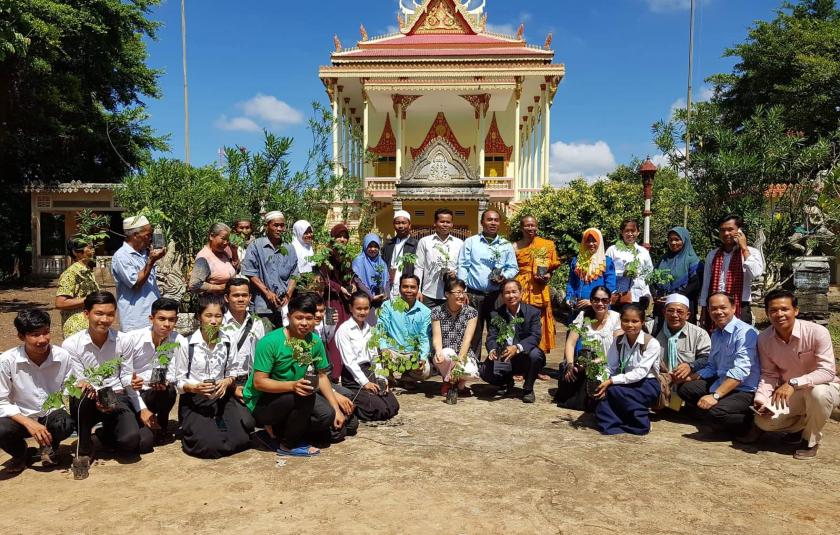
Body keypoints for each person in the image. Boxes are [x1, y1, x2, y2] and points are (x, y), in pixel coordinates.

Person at [739, 289, 840, 460]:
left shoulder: (817, 332)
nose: (779, 314)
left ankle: (810, 440)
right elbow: (769, 374)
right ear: (767, 313)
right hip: (792, 392)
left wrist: (793, 383)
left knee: (818, 394)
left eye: (785, 309)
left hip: (824, 387)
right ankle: (799, 428)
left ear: (796, 311)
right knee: (764, 422)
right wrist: (761, 399)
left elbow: (827, 371)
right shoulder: (764, 339)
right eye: (773, 310)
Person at [243, 293, 346, 457]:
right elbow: (259, 383)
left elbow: (321, 376)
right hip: (263, 401)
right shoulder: (270, 342)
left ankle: (278, 431)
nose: (304, 323)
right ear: (289, 317)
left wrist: (336, 408)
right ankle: (287, 445)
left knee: (328, 417)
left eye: (309, 318)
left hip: (294, 394)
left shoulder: (314, 341)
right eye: (299, 318)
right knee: (305, 395)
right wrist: (292, 385)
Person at [62, 291, 152, 479]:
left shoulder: (124, 340)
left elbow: (126, 376)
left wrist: (133, 382)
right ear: (87, 314)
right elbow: (78, 380)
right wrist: (88, 389)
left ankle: (104, 435)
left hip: (115, 396)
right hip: (88, 397)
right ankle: (84, 448)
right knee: (82, 394)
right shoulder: (72, 344)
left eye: (110, 314)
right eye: (99, 313)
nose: (105, 319)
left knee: (132, 442)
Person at [170, 294, 254, 459]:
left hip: (221, 396)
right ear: (199, 317)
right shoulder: (186, 344)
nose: (214, 321)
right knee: (208, 447)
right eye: (208, 315)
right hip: (195, 399)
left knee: (241, 440)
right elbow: (178, 381)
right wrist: (195, 387)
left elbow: (232, 371)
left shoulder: (228, 342)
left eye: (218, 316)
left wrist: (227, 381)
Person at [0, 310, 76, 473]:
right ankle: (20, 454)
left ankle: (50, 448)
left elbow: (69, 387)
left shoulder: (63, 356)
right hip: (21, 416)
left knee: (64, 424)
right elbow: (1, 401)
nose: (42, 340)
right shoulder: (7, 361)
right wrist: (29, 422)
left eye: (46, 333)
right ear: (21, 336)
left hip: (51, 413)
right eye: (35, 335)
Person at [676, 292, 760, 436]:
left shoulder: (746, 333)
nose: (718, 312)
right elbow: (712, 367)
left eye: (723, 308)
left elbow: (741, 372)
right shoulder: (716, 334)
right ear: (708, 311)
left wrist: (715, 396)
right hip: (722, 382)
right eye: (713, 309)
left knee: (714, 415)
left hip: (744, 389)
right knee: (685, 389)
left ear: (734, 308)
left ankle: (753, 424)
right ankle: (718, 413)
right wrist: (691, 377)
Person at [457, 209, 518, 358]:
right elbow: (463, 266)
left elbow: (513, 267)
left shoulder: (505, 245)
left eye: (496, 220)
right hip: (473, 295)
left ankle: (496, 366)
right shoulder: (471, 242)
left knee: (498, 329)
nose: (493, 223)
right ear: (482, 222)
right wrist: (462, 290)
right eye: (489, 220)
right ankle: (471, 365)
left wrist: (504, 277)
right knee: (473, 331)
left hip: (497, 295)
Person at [593, 304, 662, 435]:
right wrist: (602, 380)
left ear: (642, 322)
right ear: (620, 321)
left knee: (615, 390)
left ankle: (641, 423)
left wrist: (612, 381)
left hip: (647, 383)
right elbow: (610, 366)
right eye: (625, 320)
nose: (630, 325)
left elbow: (641, 372)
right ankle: (613, 424)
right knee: (604, 392)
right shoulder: (618, 341)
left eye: (635, 321)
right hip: (624, 379)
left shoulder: (651, 343)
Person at [124, 298, 186, 442]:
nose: (167, 324)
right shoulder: (132, 339)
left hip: (157, 393)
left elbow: (180, 376)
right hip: (133, 394)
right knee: (140, 441)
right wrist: (141, 408)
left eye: (171, 320)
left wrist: (168, 381)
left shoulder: (179, 341)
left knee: (168, 390)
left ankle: (161, 424)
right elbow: (124, 377)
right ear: (151, 319)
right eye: (162, 319)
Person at [335, 292, 400, 420]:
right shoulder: (344, 330)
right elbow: (349, 362)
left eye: (366, 308)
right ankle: (353, 401)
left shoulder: (369, 329)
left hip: (370, 371)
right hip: (353, 376)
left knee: (393, 407)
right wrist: (365, 383)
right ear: (350, 308)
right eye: (358, 308)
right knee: (379, 410)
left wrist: (382, 378)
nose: (363, 312)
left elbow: (374, 356)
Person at [555, 286, 621, 410]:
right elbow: (570, 342)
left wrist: (595, 362)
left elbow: (618, 350)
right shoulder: (583, 315)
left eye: (604, 300)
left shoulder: (616, 318)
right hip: (585, 361)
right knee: (571, 375)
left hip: (608, 363)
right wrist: (570, 364)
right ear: (591, 301)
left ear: (610, 301)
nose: (600, 303)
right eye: (596, 300)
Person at [481, 279, 546, 403]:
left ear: (521, 292)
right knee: (484, 371)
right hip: (504, 355)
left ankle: (528, 389)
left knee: (536, 355)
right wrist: (493, 349)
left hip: (523, 356)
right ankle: (505, 382)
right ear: (502, 296)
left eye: (514, 292)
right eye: (507, 293)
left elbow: (535, 336)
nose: (511, 296)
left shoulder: (533, 312)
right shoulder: (496, 314)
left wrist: (517, 347)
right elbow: (491, 337)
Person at [647, 294, 711, 410]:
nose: (674, 315)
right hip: (659, 378)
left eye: (680, 312)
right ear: (664, 312)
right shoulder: (651, 328)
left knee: (690, 391)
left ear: (687, 315)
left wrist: (690, 366)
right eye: (670, 311)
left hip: (684, 380)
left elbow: (707, 358)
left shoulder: (699, 334)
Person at [699, 214, 765, 327]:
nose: (726, 234)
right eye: (722, 230)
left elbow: (756, 273)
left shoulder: (751, 252)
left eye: (730, 230)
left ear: (739, 231)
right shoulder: (713, 255)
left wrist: (744, 248)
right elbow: (706, 285)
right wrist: (704, 309)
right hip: (716, 305)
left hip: (740, 303)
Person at [242, 211, 299, 327]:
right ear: (267, 226)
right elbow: (250, 273)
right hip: (262, 305)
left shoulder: (289, 248)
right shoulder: (256, 246)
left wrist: (288, 295)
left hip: (284, 306)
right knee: (264, 339)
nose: (279, 229)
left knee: (284, 340)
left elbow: (294, 274)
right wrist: (267, 293)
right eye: (275, 225)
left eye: (282, 225)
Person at [514, 215, 561, 354]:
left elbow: (551, 267)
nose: (530, 228)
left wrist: (547, 275)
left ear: (537, 227)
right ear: (521, 228)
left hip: (539, 289)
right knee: (520, 323)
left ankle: (538, 363)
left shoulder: (546, 245)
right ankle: (520, 364)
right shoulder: (515, 246)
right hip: (520, 288)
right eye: (527, 225)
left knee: (539, 324)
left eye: (533, 225)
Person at [376, 275, 432, 389]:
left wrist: (422, 358)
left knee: (426, 371)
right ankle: (390, 378)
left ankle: (405, 378)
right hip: (392, 352)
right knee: (378, 355)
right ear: (400, 288)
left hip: (412, 355)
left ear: (418, 288)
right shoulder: (388, 306)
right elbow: (380, 330)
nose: (409, 290)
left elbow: (425, 338)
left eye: (412, 287)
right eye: (405, 287)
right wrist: (384, 348)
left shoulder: (425, 312)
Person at [111, 214, 165, 331]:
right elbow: (135, 283)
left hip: (152, 316)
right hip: (136, 320)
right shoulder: (121, 256)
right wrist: (151, 262)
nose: (150, 238)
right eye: (147, 235)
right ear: (135, 235)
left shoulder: (145, 254)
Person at [321, 223, 360, 380]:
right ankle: (333, 373)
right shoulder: (326, 256)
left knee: (344, 333)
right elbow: (325, 279)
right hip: (331, 302)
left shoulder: (347, 257)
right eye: (339, 236)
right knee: (331, 334)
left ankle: (345, 371)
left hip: (345, 303)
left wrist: (353, 285)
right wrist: (340, 288)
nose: (342, 239)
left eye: (345, 237)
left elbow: (351, 276)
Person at [431, 277, 479, 405]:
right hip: (447, 353)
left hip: (463, 353)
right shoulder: (437, 311)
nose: (461, 295)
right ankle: (448, 382)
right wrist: (438, 351)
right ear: (447, 294)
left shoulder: (471, 313)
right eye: (458, 292)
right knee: (445, 354)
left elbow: (467, 340)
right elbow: (437, 337)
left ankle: (459, 384)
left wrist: (459, 363)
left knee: (472, 373)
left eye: (463, 292)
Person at [414, 207, 464, 308]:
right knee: (428, 323)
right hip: (429, 294)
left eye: (448, 222)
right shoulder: (424, 242)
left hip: (452, 293)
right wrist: (418, 290)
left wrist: (456, 273)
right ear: (435, 223)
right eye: (442, 221)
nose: (445, 225)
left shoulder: (459, 243)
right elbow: (419, 267)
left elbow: (463, 266)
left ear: (452, 224)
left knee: (451, 323)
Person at [652, 226, 702, 325]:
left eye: (677, 240)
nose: (673, 243)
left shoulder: (692, 260)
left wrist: (675, 295)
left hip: (682, 305)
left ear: (685, 240)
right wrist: (655, 295)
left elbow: (695, 283)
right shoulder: (663, 259)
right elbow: (653, 278)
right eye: (670, 240)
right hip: (662, 305)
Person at [565, 228, 616, 324]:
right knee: (576, 335)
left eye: (594, 241)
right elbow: (571, 283)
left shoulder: (606, 262)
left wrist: (593, 301)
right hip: (577, 308)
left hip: (598, 309)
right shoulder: (576, 261)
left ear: (599, 242)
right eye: (588, 240)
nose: (591, 244)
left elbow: (610, 286)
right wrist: (569, 298)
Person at [223, 277, 266, 390]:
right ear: (227, 298)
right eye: (236, 295)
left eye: (244, 295)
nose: (241, 299)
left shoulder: (257, 323)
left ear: (250, 297)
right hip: (225, 381)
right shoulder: (219, 323)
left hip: (250, 381)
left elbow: (260, 355)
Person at [55, 237, 100, 338]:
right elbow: (60, 303)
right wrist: (90, 299)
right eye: (89, 247)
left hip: (89, 326)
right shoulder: (71, 273)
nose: (93, 250)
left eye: (93, 247)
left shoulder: (86, 271)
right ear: (76, 253)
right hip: (77, 329)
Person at [605, 218, 653, 312]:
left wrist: (646, 294)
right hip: (619, 297)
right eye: (627, 231)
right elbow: (606, 273)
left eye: (633, 231)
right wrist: (622, 274)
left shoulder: (643, 252)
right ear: (621, 232)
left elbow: (648, 275)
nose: (630, 234)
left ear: (638, 232)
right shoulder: (613, 250)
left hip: (638, 297)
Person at [188, 223, 237, 296]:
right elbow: (194, 284)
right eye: (223, 238)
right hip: (212, 304)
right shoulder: (204, 257)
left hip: (226, 302)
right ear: (211, 236)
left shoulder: (223, 253)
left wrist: (234, 252)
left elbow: (235, 267)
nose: (226, 242)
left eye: (227, 239)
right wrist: (220, 287)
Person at [382, 210, 419, 299]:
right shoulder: (388, 245)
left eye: (404, 223)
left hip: (408, 289)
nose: (401, 226)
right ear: (393, 225)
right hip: (390, 288)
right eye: (397, 223)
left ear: (409, 225)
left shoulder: (416, 245)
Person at [352, 233, 389, 310]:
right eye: (370, 246)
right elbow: (358, 281)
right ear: (365, 246)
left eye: (376, 246)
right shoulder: (359, 261)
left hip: (380, 302)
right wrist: (371, 296)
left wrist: (385, 294)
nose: (373, 249)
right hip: (364, 302)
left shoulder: (382, 262)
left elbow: (387, 280)